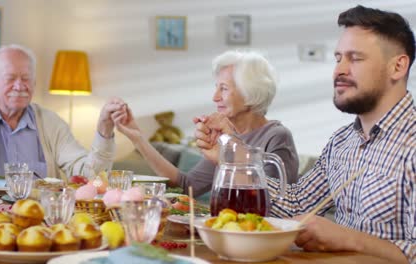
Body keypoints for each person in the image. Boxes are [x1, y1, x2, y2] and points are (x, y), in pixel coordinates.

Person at [195, 6, 415, 263]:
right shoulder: (341, 142)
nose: (339, 70)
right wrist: (232, 156)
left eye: (355, 58)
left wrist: (348, 238)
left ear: (398, 66)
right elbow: (297, 204)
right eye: (337, 58)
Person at [111, 50, 300, 197]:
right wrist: (138, 139)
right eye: (216, 88)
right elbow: (187, 186)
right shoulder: (224, 136)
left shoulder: (276, 136)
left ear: (250, 92)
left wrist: (227, 152)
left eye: (223, 89)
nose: (215, 97)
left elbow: (272, 199)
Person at [0, 44, 122, 181]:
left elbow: (91, 177)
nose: (19, 85)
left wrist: (104, 131)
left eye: (26, 78)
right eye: (10, 78)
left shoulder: (51, 123)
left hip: (39, 221)